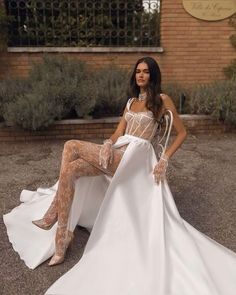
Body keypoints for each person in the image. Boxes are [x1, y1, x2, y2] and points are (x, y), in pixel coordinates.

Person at [3, 57, 236, 294]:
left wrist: (165, 158)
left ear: (153, 75)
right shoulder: (130, 102)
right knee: (72, 169)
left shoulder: (163, 100)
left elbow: (182, 133)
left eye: (146, 72)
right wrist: (106, 143)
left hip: (135, 159)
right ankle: (62, 237)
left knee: (71, 145)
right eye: (138, 72)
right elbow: (117, 132)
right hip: (119, 151)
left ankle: (57, 222)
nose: (141, 75)